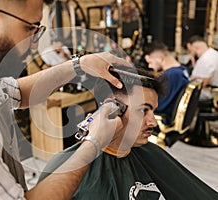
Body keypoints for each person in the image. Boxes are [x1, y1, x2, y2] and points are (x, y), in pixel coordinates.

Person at [0, 0, 128, 199]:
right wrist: (93, 142)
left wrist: (80, 65)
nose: (35, 46)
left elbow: (18, 92)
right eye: (31, 29)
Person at [39, 65, 218, 199]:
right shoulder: (62, 168)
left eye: (153, 111)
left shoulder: (150, 153)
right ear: (112, 109)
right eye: (143, 110)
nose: (153, 122)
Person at [144, 41, 190, 125]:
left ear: (159, 58)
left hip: (162, 121)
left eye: (150, 62)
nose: (149, 66)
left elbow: (158, 106)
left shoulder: (172, 76)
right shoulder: (182, 70)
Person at [187, 35, 218, 100]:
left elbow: (203, 82)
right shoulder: (214, 54)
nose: (191, 54)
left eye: (191, 51)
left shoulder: (205, 60)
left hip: (208, 94)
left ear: (196, 48)